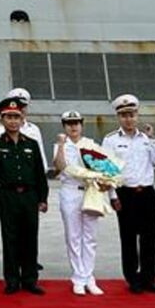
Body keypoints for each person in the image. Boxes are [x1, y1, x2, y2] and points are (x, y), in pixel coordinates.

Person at [102, 93, 155, 294]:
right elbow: (107, 170)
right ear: (118, 117)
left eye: (131, 115)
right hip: (125, 193)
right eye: (124, 115)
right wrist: (113, 196)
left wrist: (153, 139)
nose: (128, 119)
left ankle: (149, 278)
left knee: (149, 238)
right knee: (128, 238)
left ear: (137, 116)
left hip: (147, 193)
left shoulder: (146, 138)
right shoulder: (111, 140)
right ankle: (132, 278)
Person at [0, 96, 48, 295]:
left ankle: (30, 279)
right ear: (2, 120)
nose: (13, 121)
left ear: (22, 119)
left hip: (29, 195)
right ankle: (12, 280)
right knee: (10, 237)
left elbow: (39, 173)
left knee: (30, 237)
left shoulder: (31, 144)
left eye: (16, 117)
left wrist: (43, 198)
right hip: (8, 195)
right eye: (9, 117)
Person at [54, 110, 106, 296]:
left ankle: (89, 277)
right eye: (69, 124)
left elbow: (103, 169)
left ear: (82, 125)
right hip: (70, 191)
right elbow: (59, 166)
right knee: (73, 237)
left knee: (90, 237)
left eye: (76, 123)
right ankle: (78, 277)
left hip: (90, 191)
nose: (73, 127)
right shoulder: (60, 145)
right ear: (64, 126)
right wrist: (61, 145)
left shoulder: (91, 145)